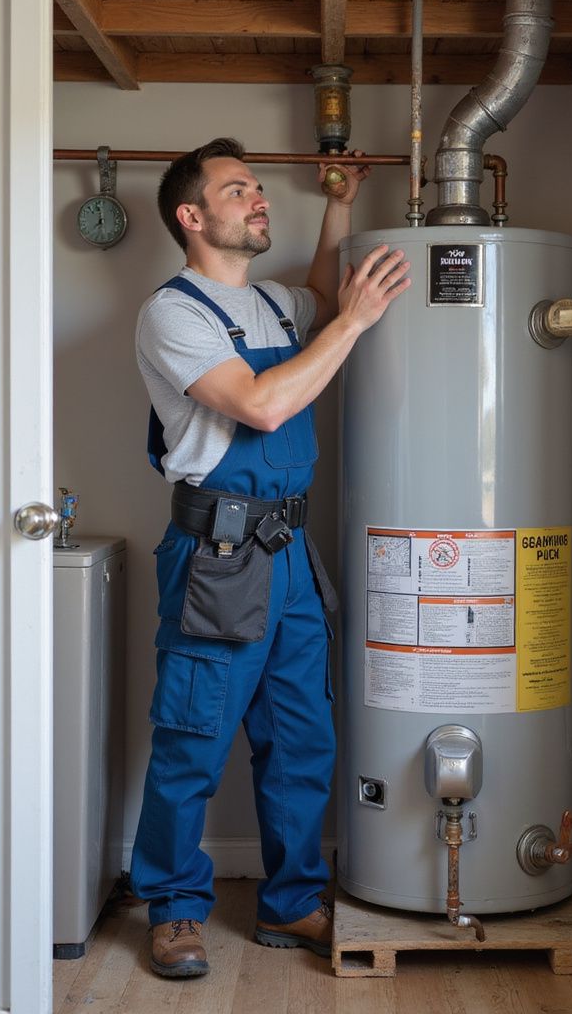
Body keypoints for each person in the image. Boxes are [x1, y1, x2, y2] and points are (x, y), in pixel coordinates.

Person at [131, 137, 410, 979]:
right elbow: (260, 404)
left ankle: (290, 903)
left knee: (300, 738)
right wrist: (357, 325)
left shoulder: (277, 304)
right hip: (216, 553)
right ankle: (176, 909)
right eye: (239, 190)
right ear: (192, 216)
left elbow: (321, 293)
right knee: (194, 737)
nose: (258, 201)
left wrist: (341, 205)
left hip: (289, 554)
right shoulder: (172, 314)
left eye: (257, 190)